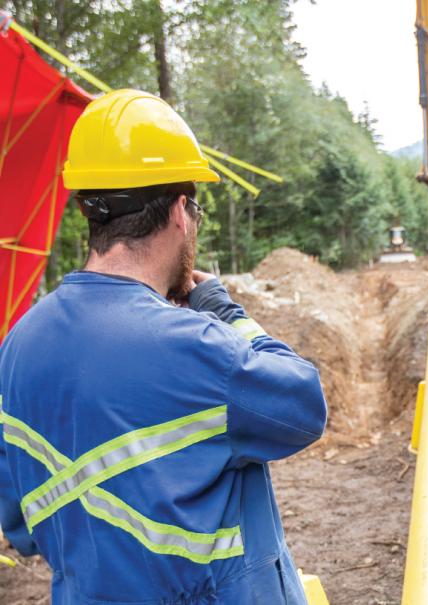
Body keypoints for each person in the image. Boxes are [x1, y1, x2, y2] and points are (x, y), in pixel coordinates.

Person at [0, 89, 327, 605]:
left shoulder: (18, 346)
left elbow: (20, 523)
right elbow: (305, 403)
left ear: (90, 209)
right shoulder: (199, 348)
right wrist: (223, 309)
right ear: (181, 212)